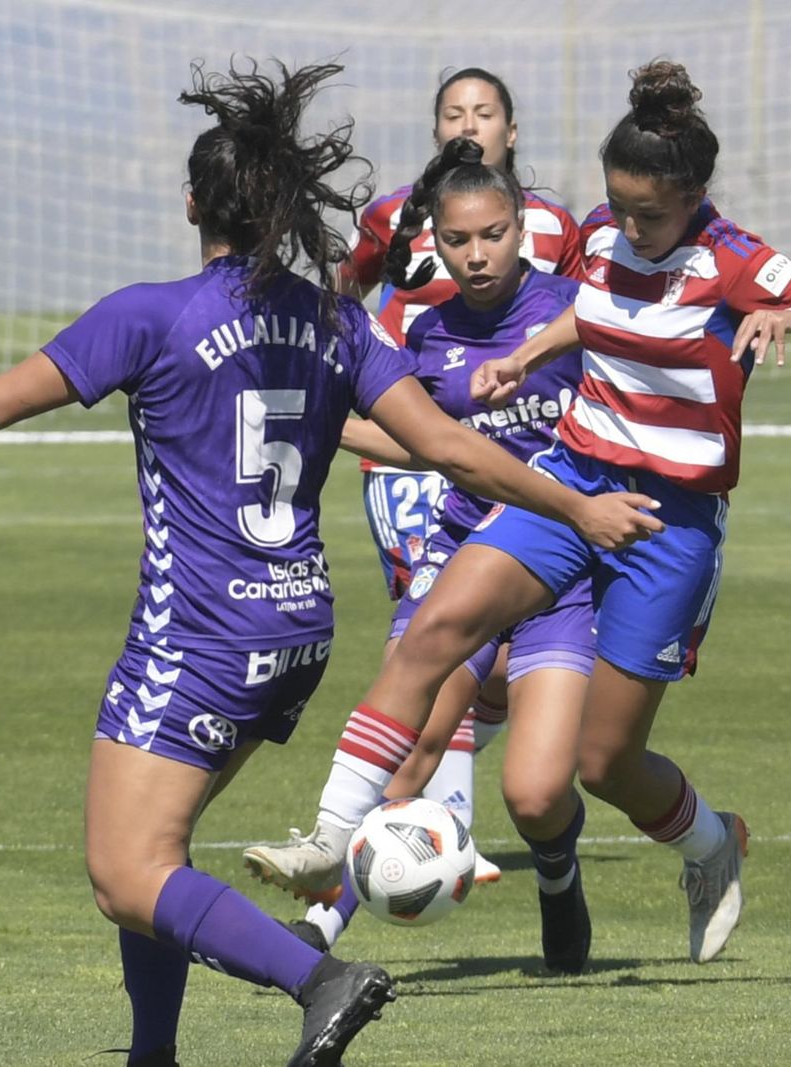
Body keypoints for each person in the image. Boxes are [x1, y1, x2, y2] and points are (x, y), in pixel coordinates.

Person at [0, 60, 660, 1067]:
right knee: (156, 848)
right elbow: (444, 443)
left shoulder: (151, 313)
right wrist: (573, 501)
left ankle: (322, 978)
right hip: (298, 623)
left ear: (193, 204)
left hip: (200, 629)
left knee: (124, 872)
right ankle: (152, 1054)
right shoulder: (333, 318)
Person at [242, 60, 791, 967]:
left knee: (605, 763)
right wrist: (532, 353)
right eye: (618, 208)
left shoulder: (738, 260)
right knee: (436, 625)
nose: (630, 228)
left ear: (694, 196)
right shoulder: (598, 235)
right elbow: (592, 310)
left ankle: (712, 845)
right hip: (573, 479)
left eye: (650, 215)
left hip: (668, 526)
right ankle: (330, 836)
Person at [286, 136, 598, 972]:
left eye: (492, 233)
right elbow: (415, 439)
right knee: (409, 740)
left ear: (521, 226)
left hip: (557, 569)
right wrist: (307, 425)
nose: (476, 252)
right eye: (457, 240)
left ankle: (560, 875)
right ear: (438, 244)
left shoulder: (575, 310)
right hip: (460, 548)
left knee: (534, 795)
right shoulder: (424, 332)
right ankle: (322, 928)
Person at [345, 66, 586, 879]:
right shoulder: (404, 255)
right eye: (455, 110)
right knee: (417, 676)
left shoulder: (568, 275)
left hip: (561, 532)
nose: (476, 253)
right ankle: (339, 880)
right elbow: (357, 309)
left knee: (544, 780)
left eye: (486, 111)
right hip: (439, 500)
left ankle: (545, 856)